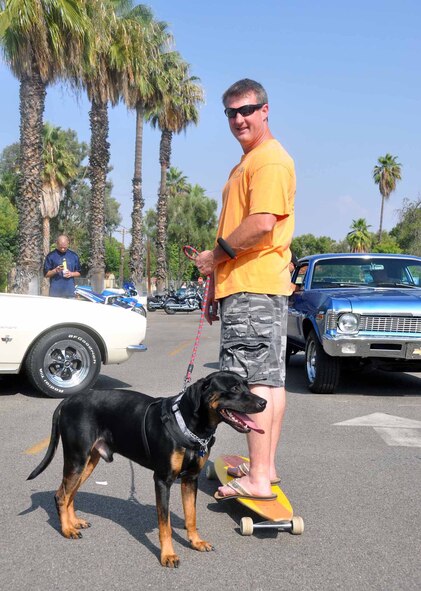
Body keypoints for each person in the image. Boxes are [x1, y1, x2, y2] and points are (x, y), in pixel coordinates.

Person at [195, 79, 296, 501]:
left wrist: (212, 258)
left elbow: (261, 224)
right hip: (255, 286)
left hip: (253, 288)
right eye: (231, 113)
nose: (239, 119)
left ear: (265, 110)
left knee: (250, 382)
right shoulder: (251, 160)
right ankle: (265, 468)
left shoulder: (268, 161)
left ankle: (256, 481)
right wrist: (216, 285)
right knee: (269, 382)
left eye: (247, 110)